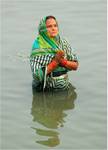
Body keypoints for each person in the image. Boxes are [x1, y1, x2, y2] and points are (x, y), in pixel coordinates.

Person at [30, 15, 79, 91]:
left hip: (64, 87)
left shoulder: (64, 43)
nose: (53, 28)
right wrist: (55, 62)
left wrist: (63, 62)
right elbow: (36, 76)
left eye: (55, 26)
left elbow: (75, 66)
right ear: (43, 29)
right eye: (49, 26)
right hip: (46, 90)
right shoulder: (38, 47)